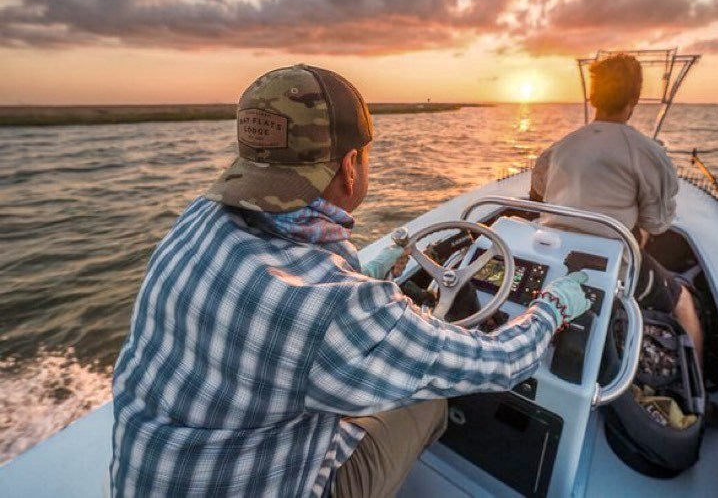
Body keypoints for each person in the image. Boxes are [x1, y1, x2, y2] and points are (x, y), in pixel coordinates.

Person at [110, 64, 592, 497]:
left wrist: (363, 274)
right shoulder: (335, 314)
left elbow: (291, 298)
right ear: (349, 166)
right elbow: (502, 363)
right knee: (431, 401)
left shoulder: (200, 215)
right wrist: (553, 306)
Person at [530, 53, 703, 363]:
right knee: (683, 300)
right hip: (609, 270)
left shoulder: (562, 146)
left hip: (551, 257)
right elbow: (658, 223)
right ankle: (698, 394)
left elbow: (539, 191)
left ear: (593, 96)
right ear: (634, 98)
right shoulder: (647, 152)